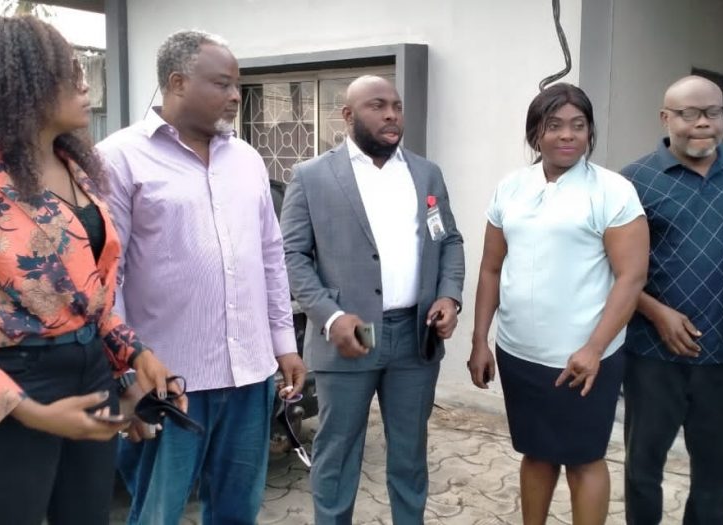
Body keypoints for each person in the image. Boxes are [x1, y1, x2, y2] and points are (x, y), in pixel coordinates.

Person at [0, 16, 180, 525]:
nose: (84, 84)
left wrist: (135, 354)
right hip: (10, 388)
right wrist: (34, 413)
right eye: (67, 72)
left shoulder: (77, 169)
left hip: (89, 375)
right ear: (20, 84)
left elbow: (90, 298)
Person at [98, 30, 306, 525]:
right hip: (169, 383)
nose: (235, 96)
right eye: (222, 84)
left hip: (250, 374)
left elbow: (270, 256)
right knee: (157, 512)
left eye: (237, 85)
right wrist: (128, 369)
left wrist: (284, 343)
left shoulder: (247, 160)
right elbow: (107, 276)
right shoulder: (119, 157)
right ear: (176, 83)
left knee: (237, 511)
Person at [280, 75, 465, 525]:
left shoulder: (425, 173)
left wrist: (449, 295)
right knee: (338, 452)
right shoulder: (312, 176)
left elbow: (448, 239)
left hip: (414, 333)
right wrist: (330, 317)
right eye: (377, 106)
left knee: (409, 453)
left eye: (396, 106)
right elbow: (292, 255)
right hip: (353, 332)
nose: (391, 115)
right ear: (347, 115)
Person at [467, 83, 648, 525]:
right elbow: (491, 268)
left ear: (589, 133)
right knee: (536, 453)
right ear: (536, 134)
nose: (567, 135)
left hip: (584, 360)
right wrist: (480, 340)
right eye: (554, 126)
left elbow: (631, 277)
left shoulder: (613, 191)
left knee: (584, 459)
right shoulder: (511, 188)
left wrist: (594, 348)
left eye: (578, 125)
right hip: (519, 354)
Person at [619, 76, 723, 525]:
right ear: (665, 118)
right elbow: (613, 267)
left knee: (715, 480)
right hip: (652, 355)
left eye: (713, 112)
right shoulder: (633, 181)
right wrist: (656, 312)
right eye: (689, 114)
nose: (703, 123)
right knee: (642, 469)